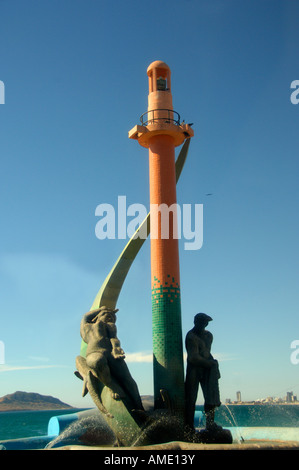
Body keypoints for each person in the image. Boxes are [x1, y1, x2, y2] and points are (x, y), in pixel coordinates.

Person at [79, 306, 143, 410]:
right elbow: (86, 316)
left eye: (113, 317)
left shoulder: (111, 326)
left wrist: (116, 348)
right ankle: (112, 385)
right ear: (96, 317)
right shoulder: (87, 327)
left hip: (111, 353)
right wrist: (102, 309)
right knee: (97, 361)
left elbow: (114, 338)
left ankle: (139, 407)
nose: (110, 318)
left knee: (128, 379)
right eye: (106, 315)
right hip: (94, 352)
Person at [185, 313, 221, 430]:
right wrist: (210, 363)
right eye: (202, 323)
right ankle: (189, 426)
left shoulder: (209, 336)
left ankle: (210, 424)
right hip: (194, 369)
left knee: (210, 396)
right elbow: (193, 358)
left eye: (205, 323)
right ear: (196, 322)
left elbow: (206, 352)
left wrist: (213, 365)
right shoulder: (191, 336)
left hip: (206, 369)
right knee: (191, 398)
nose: (204, 325)